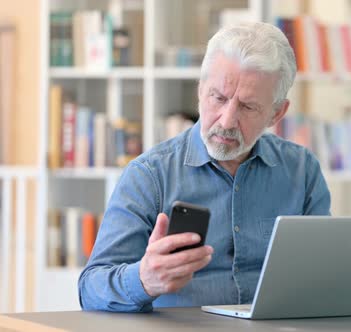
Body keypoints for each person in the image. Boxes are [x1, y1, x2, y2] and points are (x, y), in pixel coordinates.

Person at [78, 22, 331, 312]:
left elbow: (322, 274)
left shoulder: (303, 171)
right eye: (218, 98)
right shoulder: (149, 175)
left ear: (276, 113)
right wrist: (144, 280)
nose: (226, 120)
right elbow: (90, 290)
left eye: (248, 107)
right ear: (200, 90)